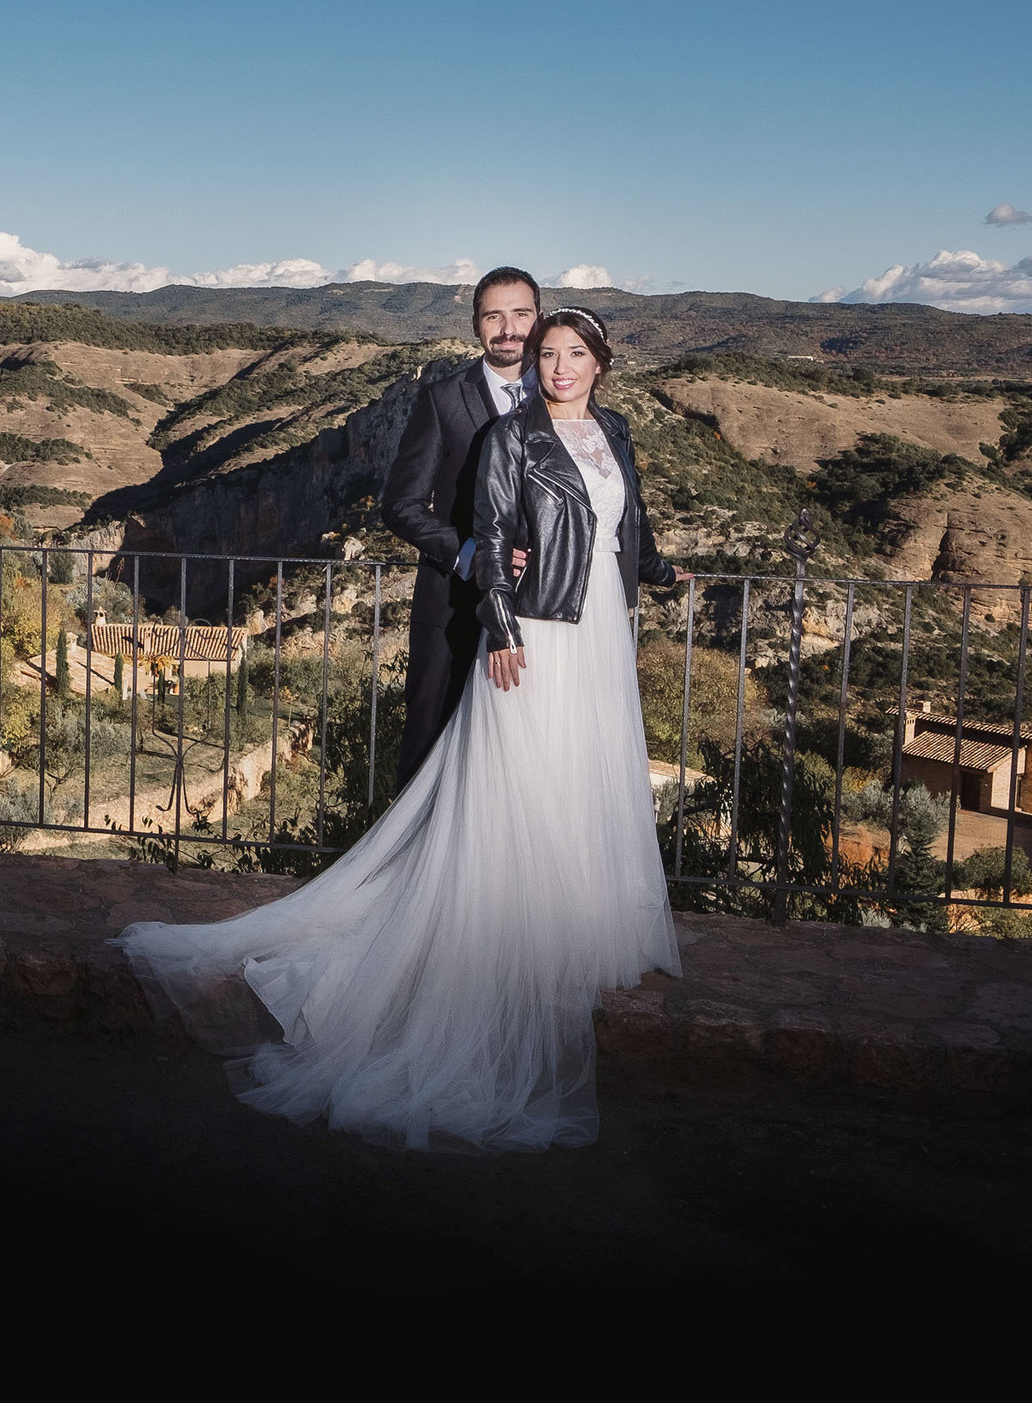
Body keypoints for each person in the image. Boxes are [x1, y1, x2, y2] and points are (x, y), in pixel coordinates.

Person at [116, 309, 683, 1151]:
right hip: (534, 628)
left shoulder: (616, 429)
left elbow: (619, 524)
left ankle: (573, 926)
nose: (560, 367)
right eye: (547, 354)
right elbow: (490, 536)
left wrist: (664, 569)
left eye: (575, 354)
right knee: (519, 779)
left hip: (600, 624)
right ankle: (496, 939)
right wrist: (500, 629)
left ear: (602, 363)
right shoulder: (511, 435)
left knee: (581, 769)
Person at [379, 266, 539, 792]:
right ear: (476, 325)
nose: (508, 328)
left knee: (521, 759)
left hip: (540, 610)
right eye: (494, 315)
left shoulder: (565, 396)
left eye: (520, 314)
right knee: (429, 756)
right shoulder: (442, 398)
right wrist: (470, 554)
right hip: (451, 606)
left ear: (538, 320)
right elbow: (400, 505)